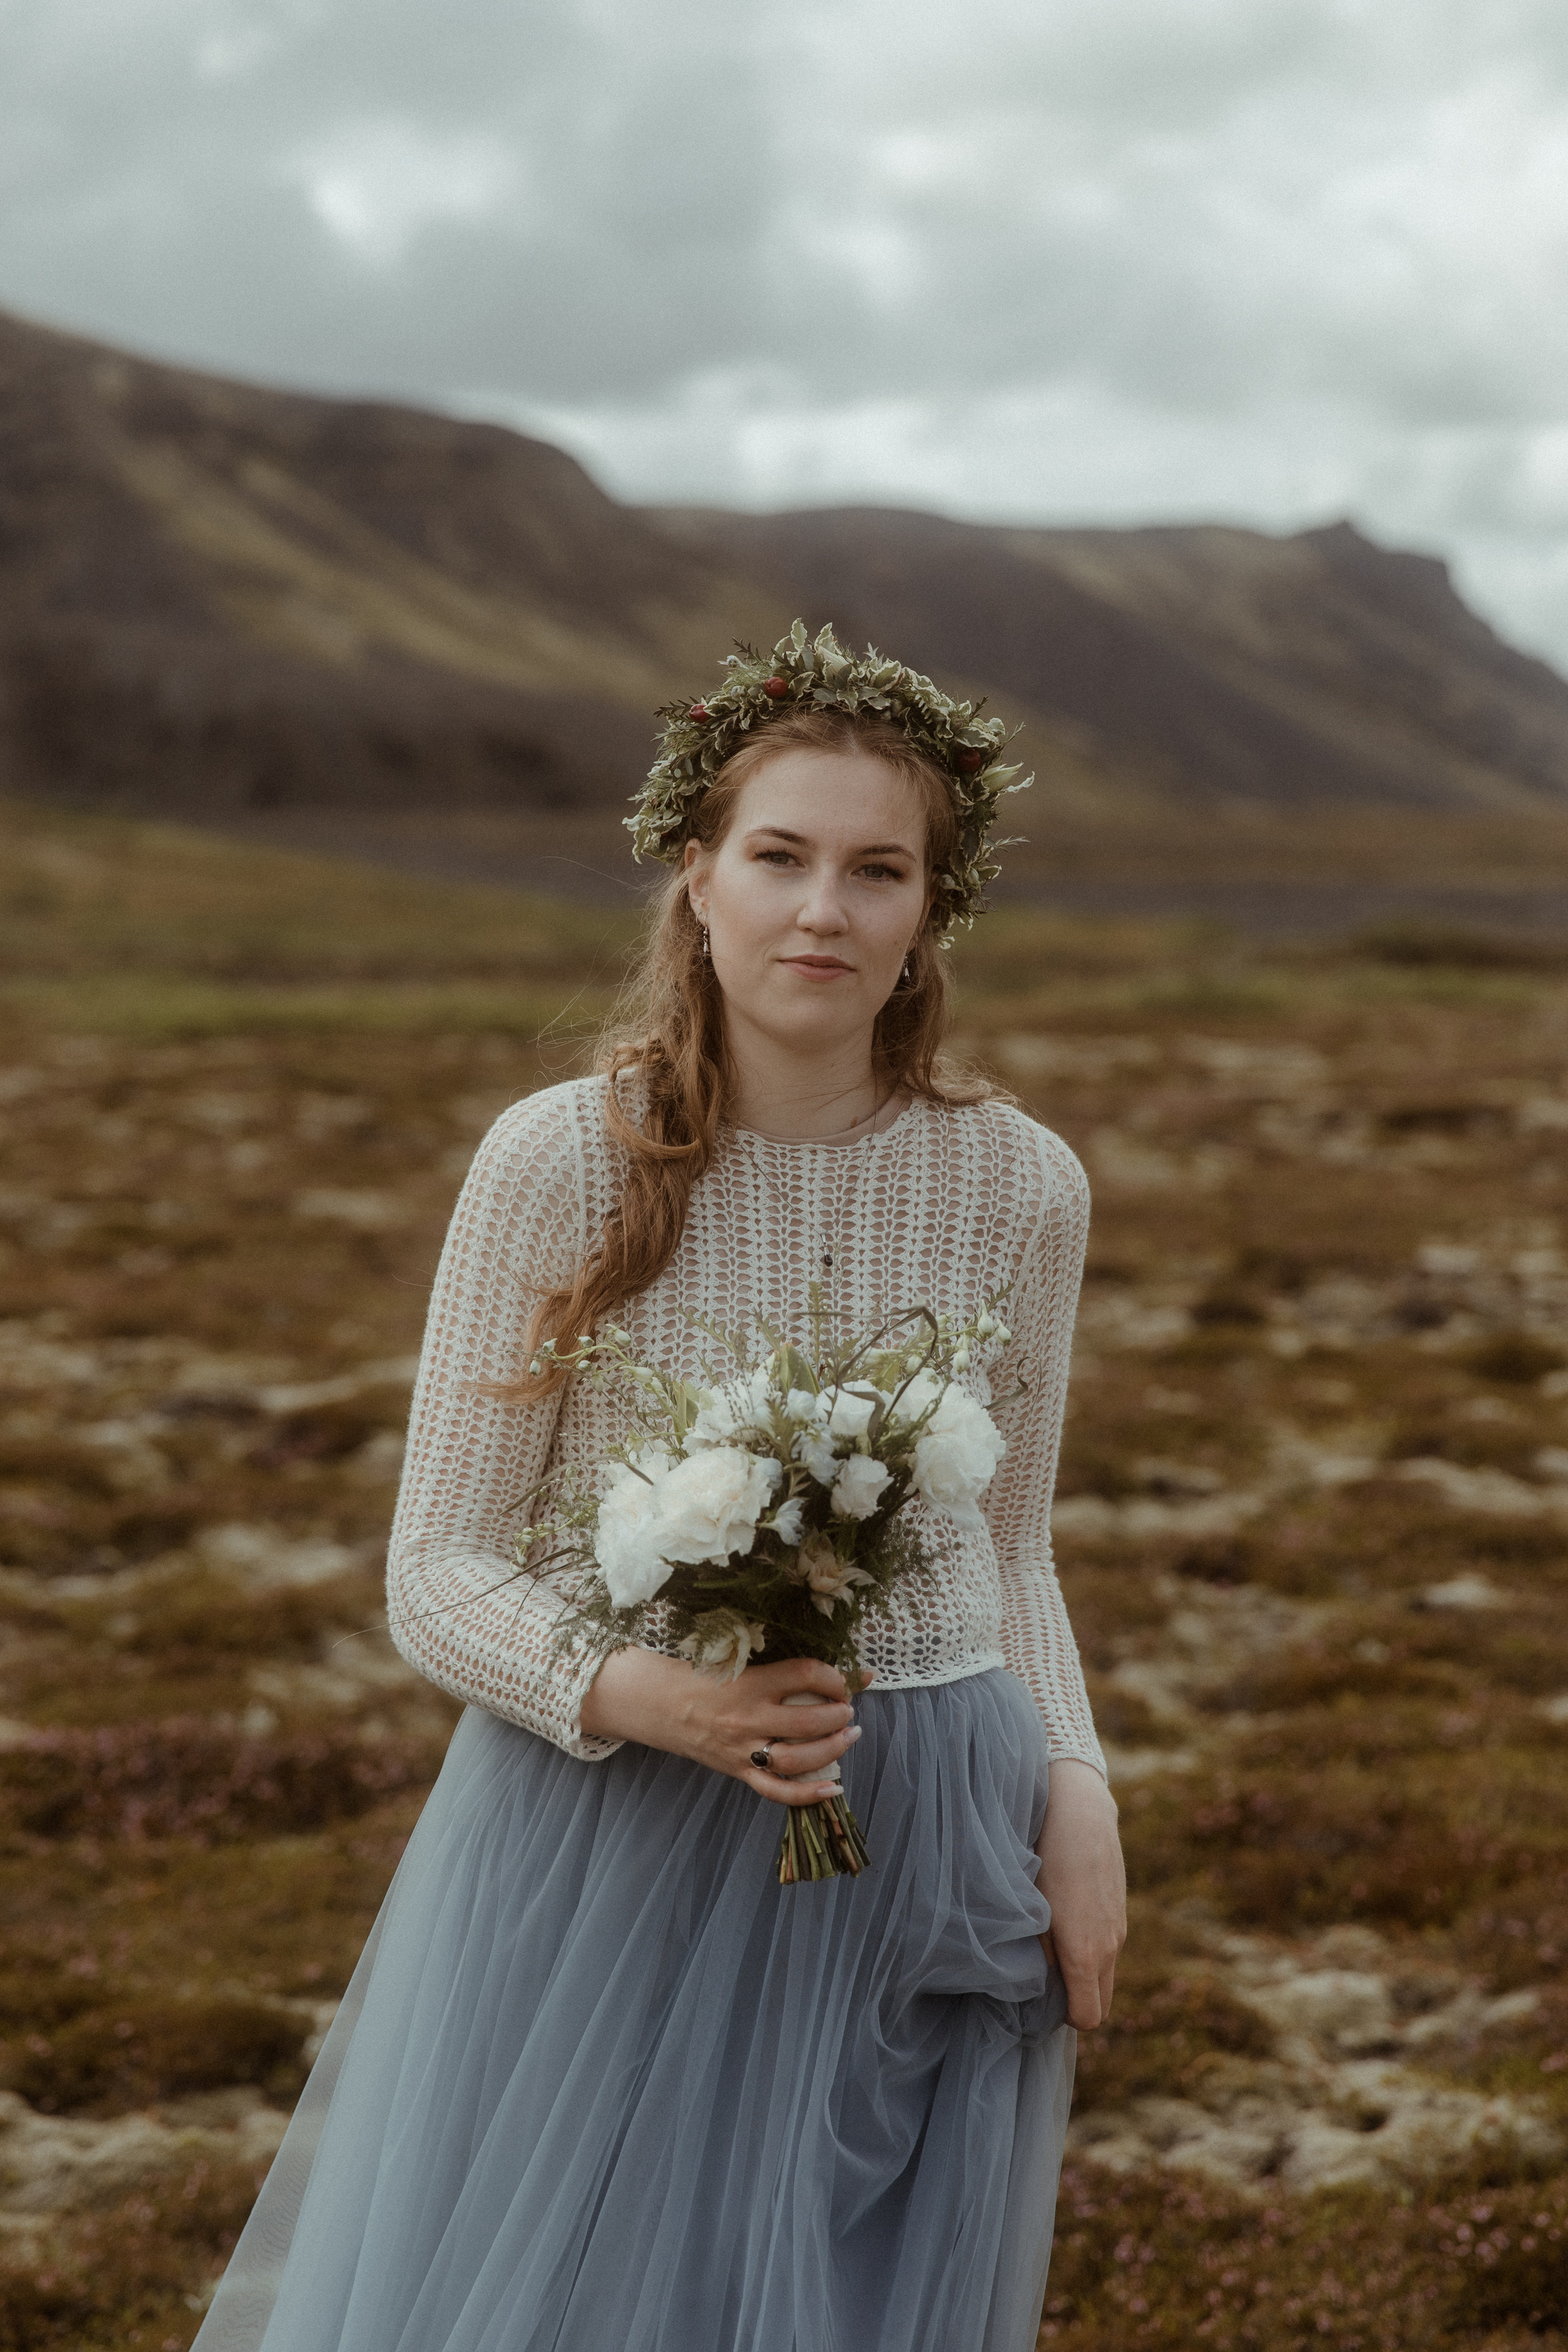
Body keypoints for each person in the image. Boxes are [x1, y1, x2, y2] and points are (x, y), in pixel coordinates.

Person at [194, 622, 1125, 2352]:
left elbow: (1013, 1552)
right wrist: (658, 1699)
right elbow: (439, 1568)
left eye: (877, 869)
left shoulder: (1023, 1187)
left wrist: (1077, 1787)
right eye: (779, 858)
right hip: (621, 1833)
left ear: (936, 904)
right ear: (697, 877)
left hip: (936, 1829)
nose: (822, 912)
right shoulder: (559, 1159)